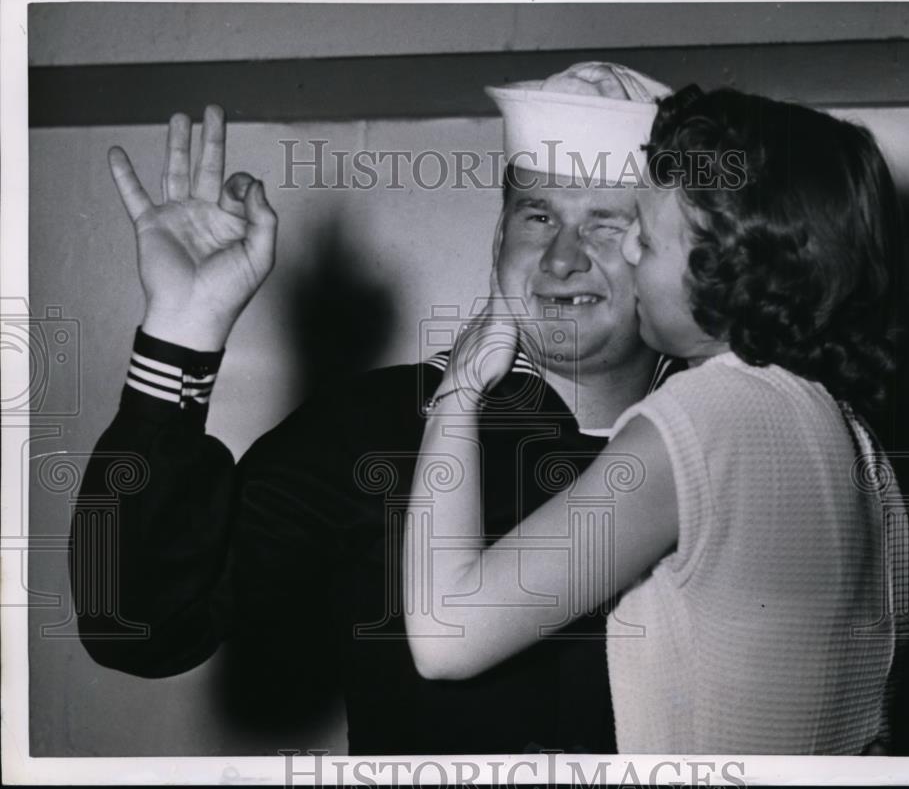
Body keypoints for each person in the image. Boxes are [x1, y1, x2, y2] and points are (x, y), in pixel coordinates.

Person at [70, 63, 681, 754]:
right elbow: (134, 626)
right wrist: (181, 335)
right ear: (498, 241)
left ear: (671, 257)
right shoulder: (372, 427)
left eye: (607, 222)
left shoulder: (728, 433)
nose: (563, 257)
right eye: (538, 215)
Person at [403, 86, 909, 754]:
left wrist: (460, 391)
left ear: (730, 262)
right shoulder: (858, 441)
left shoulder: (698, 421)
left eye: (646, 236)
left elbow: (445, 636)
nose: (632, 258)